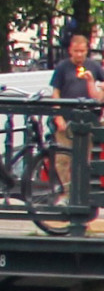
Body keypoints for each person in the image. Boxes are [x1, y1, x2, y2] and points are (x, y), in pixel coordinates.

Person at [48, 28, 103, 192]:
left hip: (88, 120)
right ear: (70, 50)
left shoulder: (93, 66)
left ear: (87, 50)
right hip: (67, 119)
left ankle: (82, 193)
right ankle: (66, 192)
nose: (79, 55)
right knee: (63, 159)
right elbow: (55, 92)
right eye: (76, 51)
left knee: (85, 159)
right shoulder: (63, 67)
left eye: (82, 51)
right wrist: (58, 116)